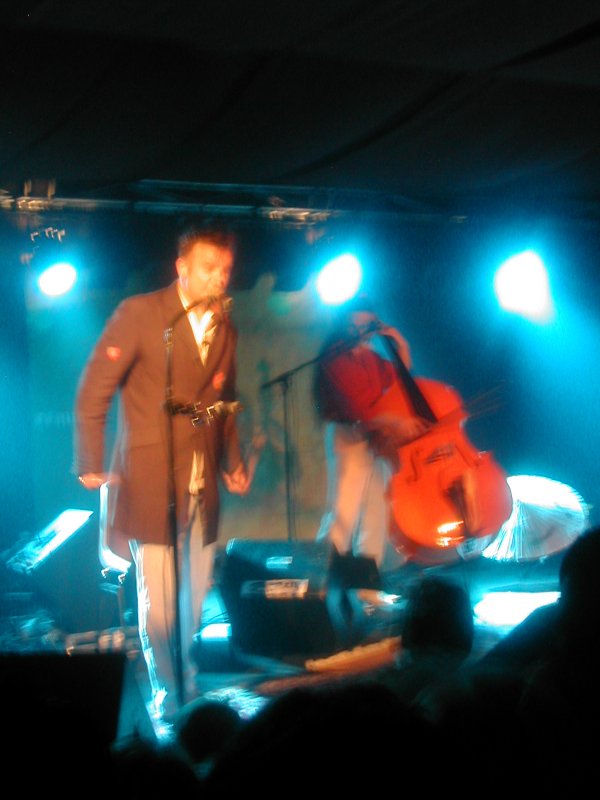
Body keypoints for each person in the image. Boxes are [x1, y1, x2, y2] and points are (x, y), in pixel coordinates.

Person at [73, 221, 251, 722]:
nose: (219, 277)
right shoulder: (143, 313)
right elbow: (95, 384)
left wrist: (232, 462)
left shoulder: (226, 329)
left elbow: (224, 402)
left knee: (193, 599)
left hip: (201, 480)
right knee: (161, 602)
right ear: (182, 268)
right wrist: (89, 459)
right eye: (209, 267)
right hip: (152, 476)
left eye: (225, 269)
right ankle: (172, 694)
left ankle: (183, 679)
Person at [313, 295, 429, 571]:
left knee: (376, 516)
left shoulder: (372, 358)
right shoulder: (334, 358)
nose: (360, 332)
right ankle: (323, 579)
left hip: (377, 440)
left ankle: (367, 586)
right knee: (343, 513)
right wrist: (397, 423)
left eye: (366, 326)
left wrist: (401, 344)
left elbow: (399, 378)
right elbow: (360, 410)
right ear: (344, 324)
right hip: (348, 436)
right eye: (354, 325)